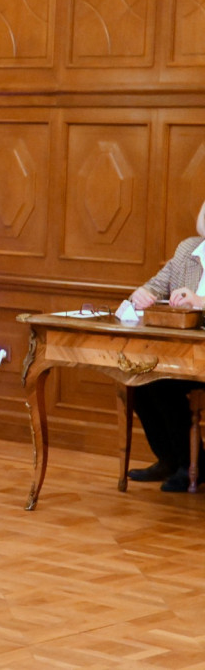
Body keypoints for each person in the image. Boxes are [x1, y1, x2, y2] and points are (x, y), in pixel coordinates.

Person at [126, 199, 205, 492]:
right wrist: (142, 294)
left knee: (162, 384)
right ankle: (171, 459)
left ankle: (191, 464)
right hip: (182, 353)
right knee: (141, 381)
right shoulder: (188, 249)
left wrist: (200, 302)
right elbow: (154, 286)